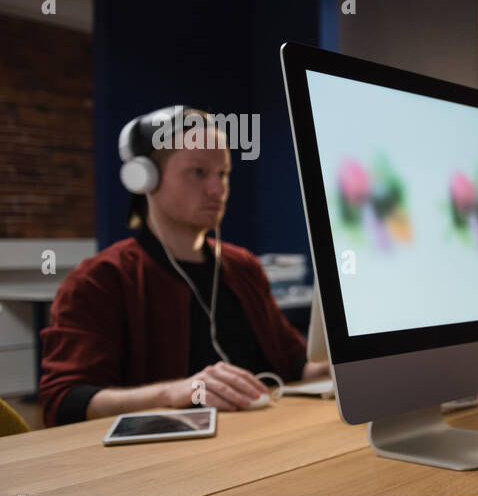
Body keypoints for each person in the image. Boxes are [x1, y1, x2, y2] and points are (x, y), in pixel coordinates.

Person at [38, 106, 329, 427]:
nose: (218, 189)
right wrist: (172, 393)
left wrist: (334, 363)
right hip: (162, 466)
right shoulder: (101, 280)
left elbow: (293, 362)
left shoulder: (242, 267)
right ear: (145, 178)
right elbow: (62, 401)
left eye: (222, 174)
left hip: (266, 437)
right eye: (198, 172)